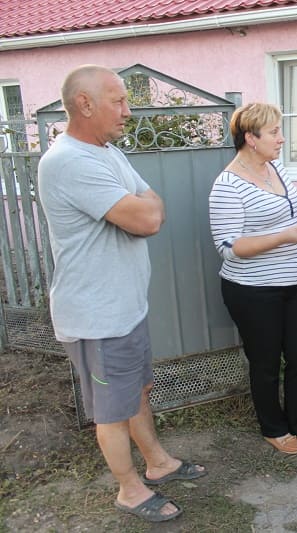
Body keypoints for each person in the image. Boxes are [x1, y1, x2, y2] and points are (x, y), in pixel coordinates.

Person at [37, 65, 206, 523]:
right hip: (97, 314)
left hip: (124, 307)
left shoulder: (104, 152)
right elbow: (148, 218)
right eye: (118, 101)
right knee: (111, 410)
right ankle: (129, 490)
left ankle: (157, 463)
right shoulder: (68, 161)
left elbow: (152, 204)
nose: (127, 111)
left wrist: (141, 207)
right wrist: (141, 209)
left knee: (137, 390)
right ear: (84, 104)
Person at [208, 102, 297, 455]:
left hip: (291, 284)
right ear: (250, 138)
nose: (282, 138)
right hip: (252, 291)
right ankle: (274, 428)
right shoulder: (227, 185)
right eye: (274, 132)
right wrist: (283, 240)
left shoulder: (277, 168)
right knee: (266, 362)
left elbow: (291, 218)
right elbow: (228, 247)